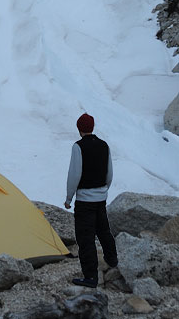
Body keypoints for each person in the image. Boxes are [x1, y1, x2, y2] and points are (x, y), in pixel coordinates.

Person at [64, 113, 118, 288]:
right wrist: (103, 191)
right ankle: (113, 261)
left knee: (85, 238)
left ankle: (90, 277)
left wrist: (68, 198)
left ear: (79, 128)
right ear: (92, 127)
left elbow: (74, 175)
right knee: (104, 231)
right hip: (101, 198)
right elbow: (109, 173)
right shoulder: (104, 146)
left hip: (85, 202)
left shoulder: (78, 147)